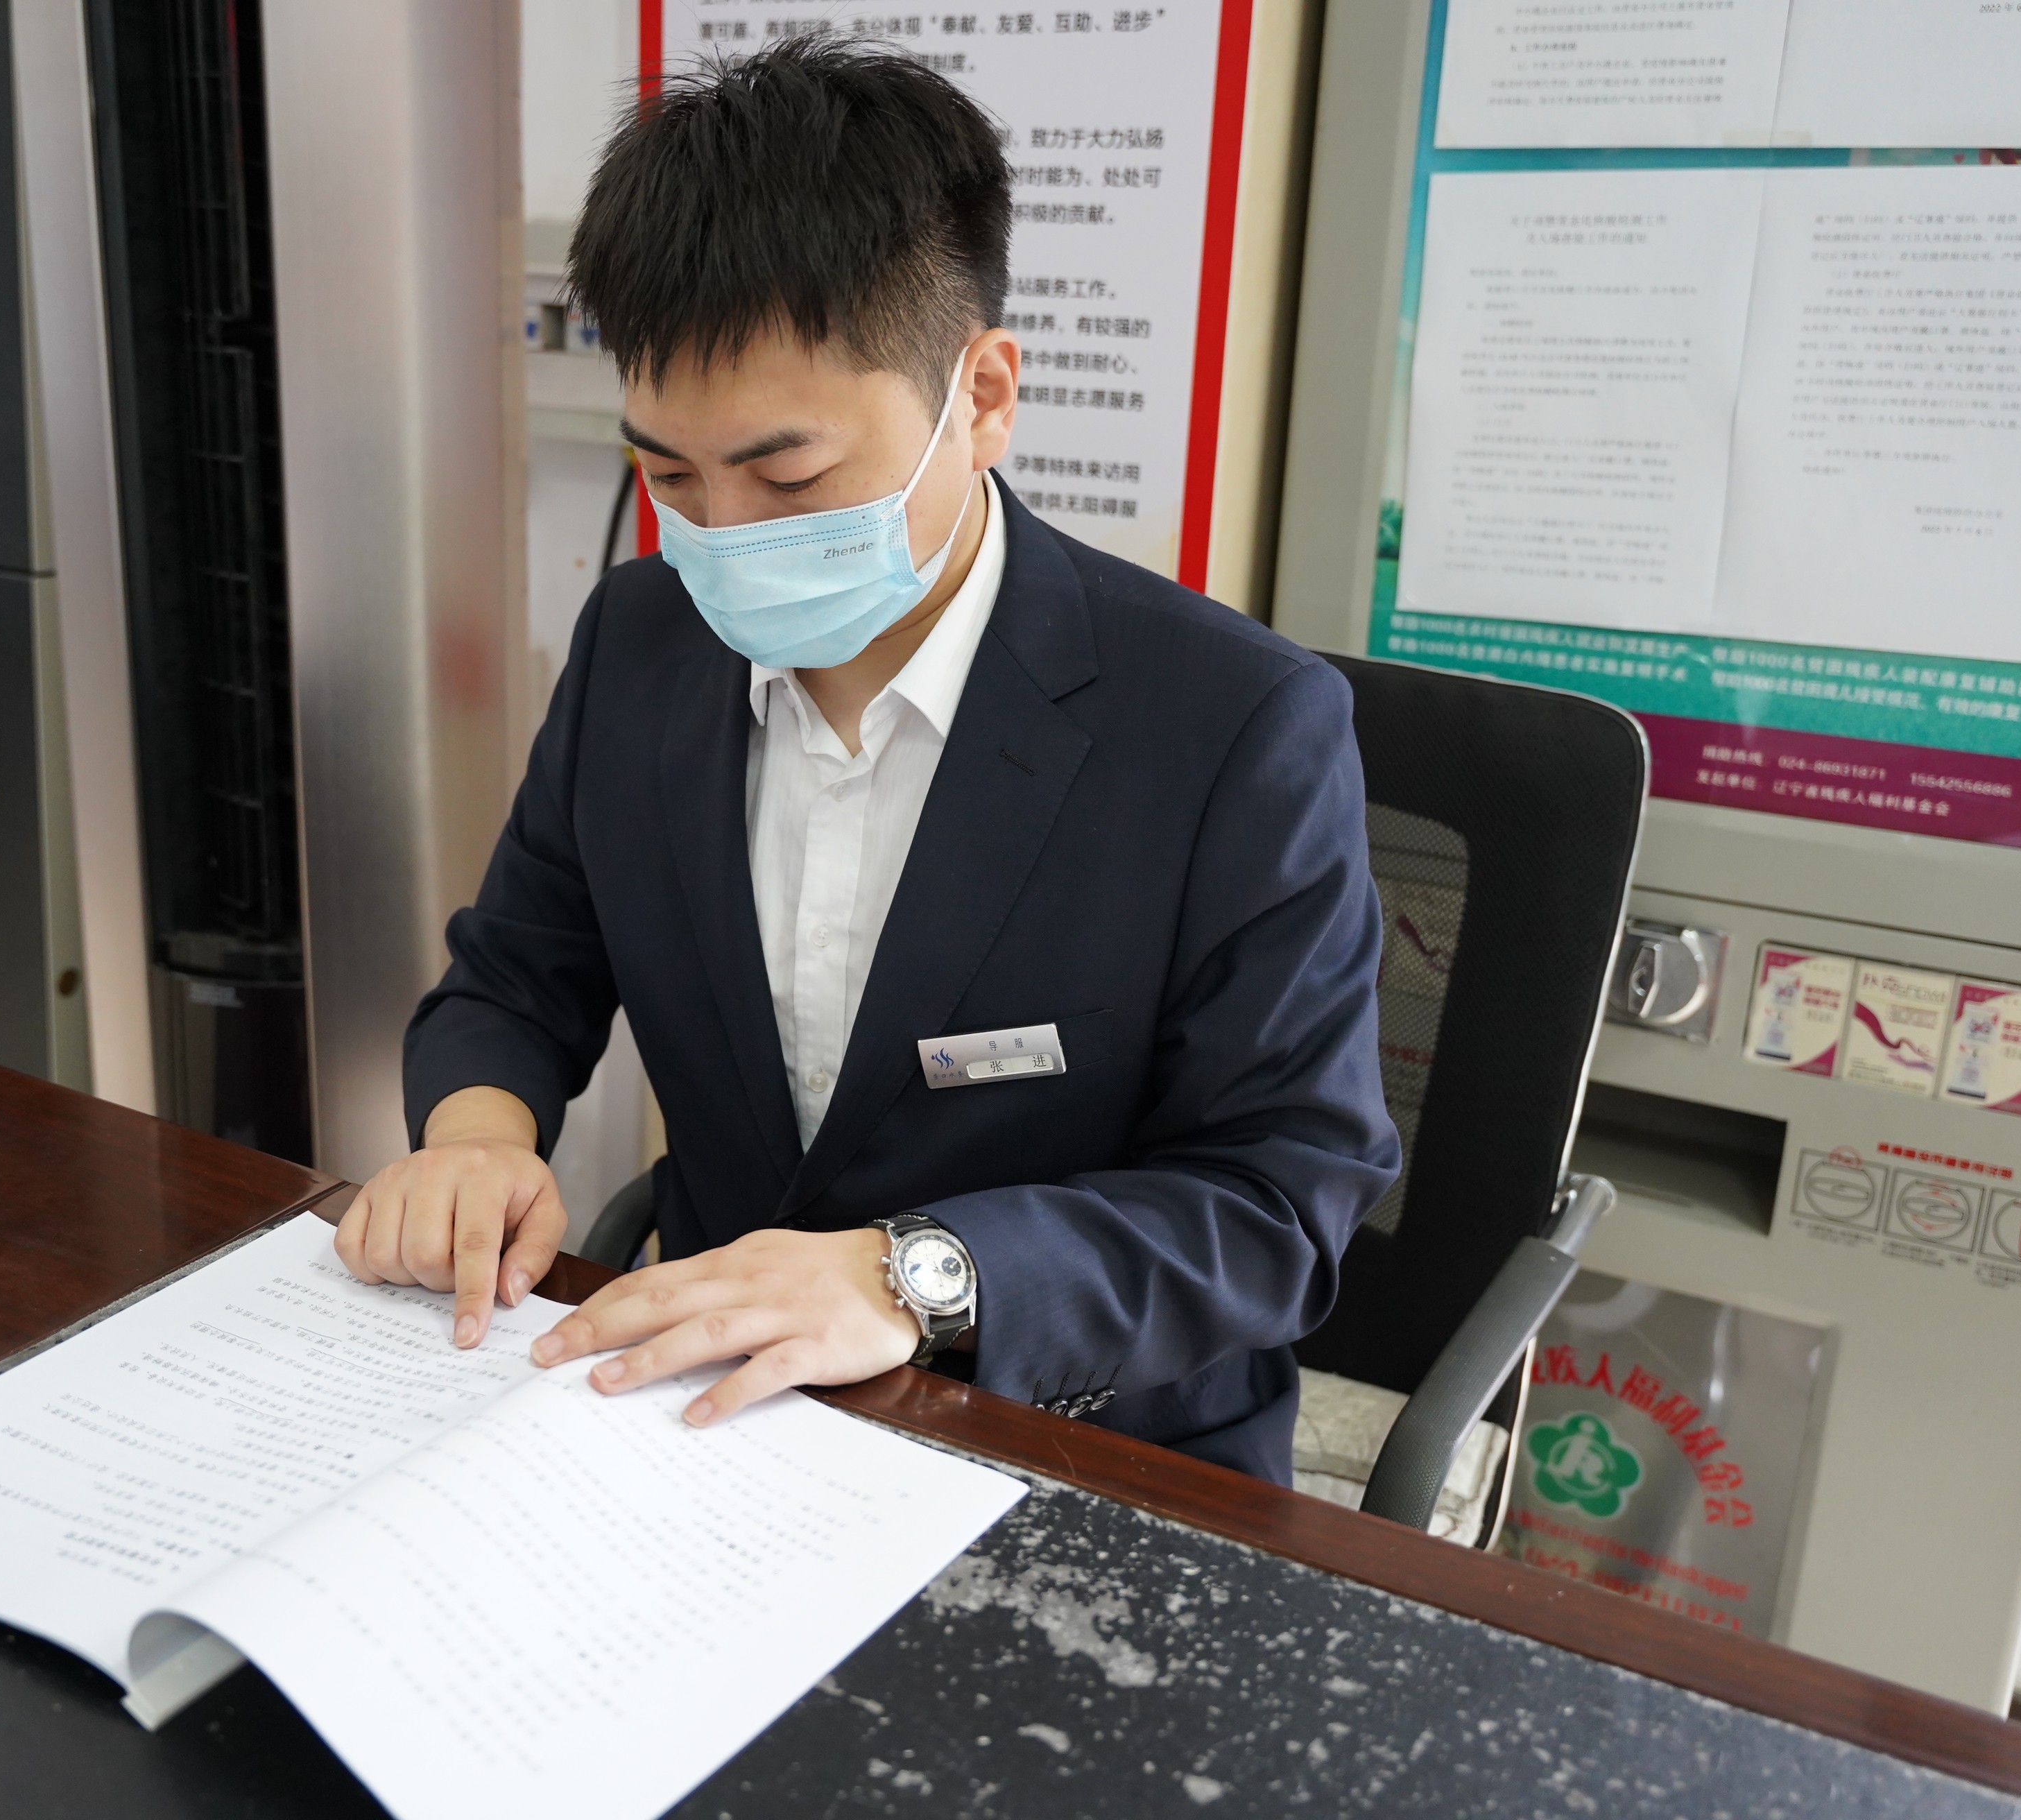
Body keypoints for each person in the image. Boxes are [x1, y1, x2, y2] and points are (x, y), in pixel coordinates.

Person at [335, 37, 1399, 1483]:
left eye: (789, 477)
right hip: (719, 1409)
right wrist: (475, 1137)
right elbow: (520, 972)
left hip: (1072, 1443)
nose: (721, 535)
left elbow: (1276, 1204)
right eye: (669, 473)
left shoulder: (1232, 727)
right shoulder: (643, 643)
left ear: (984, 395)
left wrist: (913, 1277)